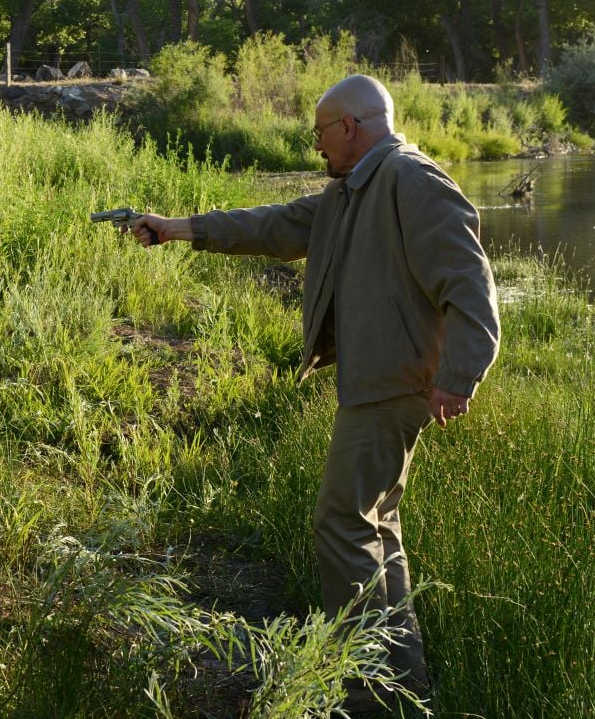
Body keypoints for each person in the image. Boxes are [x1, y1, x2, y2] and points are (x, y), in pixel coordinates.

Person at [131, 75, 500, 711]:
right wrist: (177, 228)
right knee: (376, 528)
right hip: (375, 383)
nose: (316, 146)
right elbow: (272, 224)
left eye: (320, 133)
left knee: (340, 524)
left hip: (394, 386)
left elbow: (471, 285)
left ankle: (362, 693)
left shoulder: (411, 181)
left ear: (350, 128)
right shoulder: (348, 191)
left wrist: (459, 378)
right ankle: (402, 684)